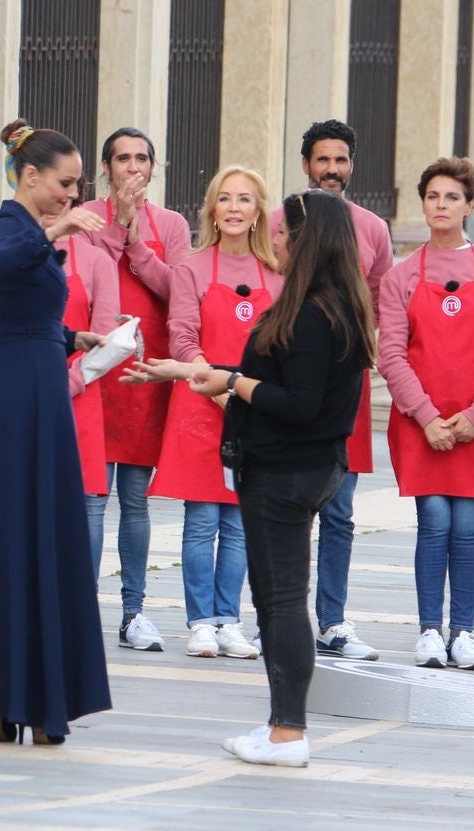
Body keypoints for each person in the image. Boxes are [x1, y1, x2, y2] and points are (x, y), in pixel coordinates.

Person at [124, 189, 372, 768]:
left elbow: (300, 404)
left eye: (283, 231)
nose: (274, 239)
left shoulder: (314, 312)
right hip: (299, 465)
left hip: (288, 469)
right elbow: (282, 382)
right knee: (276, 599)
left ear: (308, 241)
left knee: (281, 603)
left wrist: (233, 384)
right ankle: (281, 724)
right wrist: (190, 371)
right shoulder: (328, 304)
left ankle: (288, 732)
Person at [0, 119, 112, 746]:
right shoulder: (10, 225)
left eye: (76, 186)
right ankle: (2, 696)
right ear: (31, 175)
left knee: (42, 532)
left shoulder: (28, 226)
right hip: (15, 394)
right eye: (65, 183)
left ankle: (30, 696)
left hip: (39, 383)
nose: (72, 195)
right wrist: (56, 230)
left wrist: (73, 336)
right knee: (8, 535)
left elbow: (26, 309)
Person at [378, 157, 474, 671]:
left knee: (468, 525)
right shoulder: (400, 276)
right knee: (434, 521)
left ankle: (464, 632)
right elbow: (391, 354)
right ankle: (429, 632)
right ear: (422, 204)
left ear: (469, 207)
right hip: (423, 425)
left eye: (452, 197)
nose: (441, 205)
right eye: (433, 196)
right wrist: (425, 416)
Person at [148, 166, 282, 660]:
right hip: (200, 402)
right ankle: (201, 622)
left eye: (244, 199)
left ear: (258, 211)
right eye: (224, 198)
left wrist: (248, 394)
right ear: (211, 208)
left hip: (255, 408)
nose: (233, 208)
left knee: (241, 521)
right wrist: (219, 386)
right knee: (202, 519)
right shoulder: (192, 268)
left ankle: (230, 621)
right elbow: (183, 335)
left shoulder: (277, 275)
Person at [271, 119, 393, 661]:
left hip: (345, 384)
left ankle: (334, 621)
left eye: (341, 160)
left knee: (340, 512)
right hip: (289, 378)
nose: (332, 170)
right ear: (305, 164)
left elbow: (380, 303)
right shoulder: (278, 221)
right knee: (285, 508)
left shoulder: (373, 229)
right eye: (322, 159)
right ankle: (278, 618)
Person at [81, 128, 192, 646]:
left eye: (141, 158)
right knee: (92, 498)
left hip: (147, 373)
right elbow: (88, 279)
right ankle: (82, 610)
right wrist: (117, 227)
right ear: (106, 168)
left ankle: (134, 611)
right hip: (97, 371)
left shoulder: (172, 224)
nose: (132, 167)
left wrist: (136, 242)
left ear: (153, 167)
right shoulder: (85, 217)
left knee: (135, 499)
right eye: (122, 158)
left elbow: (178, 290)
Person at [53, 183, 137, 645]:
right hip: (27, 394)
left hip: (80, 394)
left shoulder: (96, 262)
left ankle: (78, 609)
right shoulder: (15, 252)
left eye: (68, 193)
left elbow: (108, 340)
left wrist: (67, 381)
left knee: (87, 503)